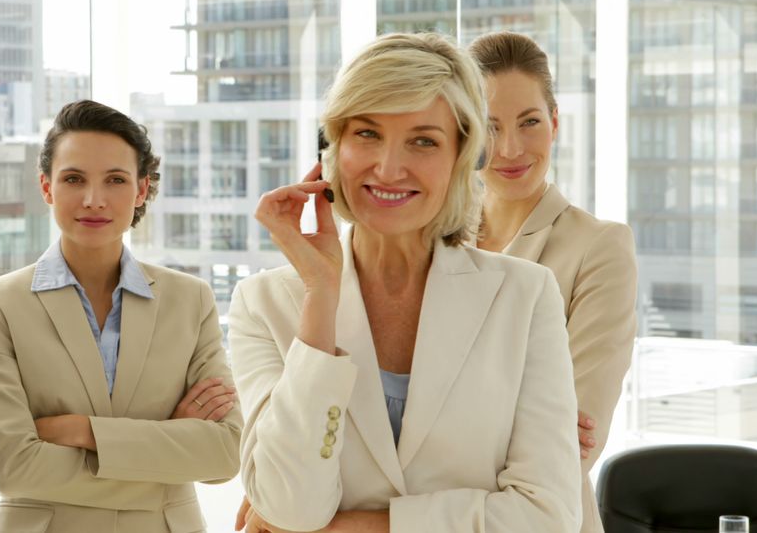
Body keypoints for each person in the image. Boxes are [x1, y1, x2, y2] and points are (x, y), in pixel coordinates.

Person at [230, 32, 581, 532]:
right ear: (332, 149)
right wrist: (321, 296)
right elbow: (291, 506)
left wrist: (348, 528)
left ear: (463, 156)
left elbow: (547, 517)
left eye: (423, 140)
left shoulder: (524, 296)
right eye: (367, 134)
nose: (390, 169)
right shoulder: (264, 303)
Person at [0, 100, 242, 532]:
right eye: (74, 179)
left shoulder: (191, 299)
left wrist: (82, 431)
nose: (94, 200)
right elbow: (14, 468)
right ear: (46, 187)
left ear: (142, 189)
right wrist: (167, 456)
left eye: (116, 180)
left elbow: (223, 454)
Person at [469, 31, 638, 533]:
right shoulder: (430, 239)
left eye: (530, 123)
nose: (511, 148)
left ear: (555, 123)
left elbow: (565, 451)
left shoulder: (599, 247)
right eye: (489, 127)